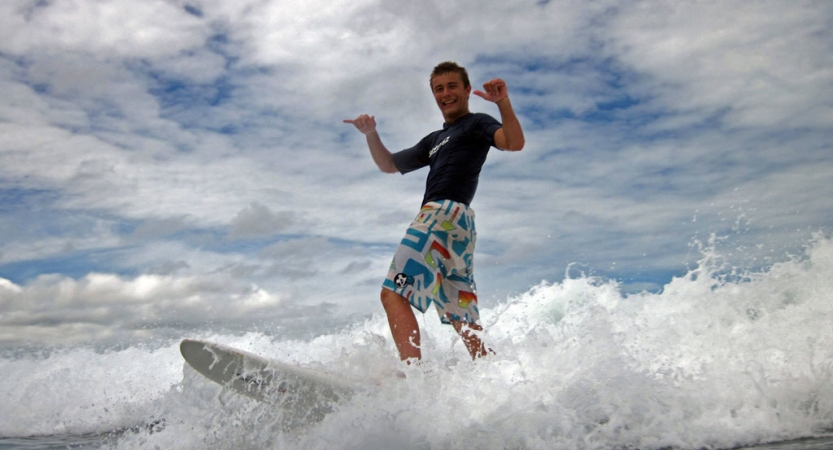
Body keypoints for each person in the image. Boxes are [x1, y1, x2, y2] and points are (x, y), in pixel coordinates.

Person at [344, 61, 525, 363]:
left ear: (467, 90)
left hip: (439, 217)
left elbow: (514, 143)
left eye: (452, 86)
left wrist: (502, 102)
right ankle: (496, 374)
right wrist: (371, 134)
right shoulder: (433, 141)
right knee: (462, 316)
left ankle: (413, 376)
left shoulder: (477, 123)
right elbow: (388, 164)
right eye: (439, 89)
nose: (445, 93)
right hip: (460, 231)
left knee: (394, 293)